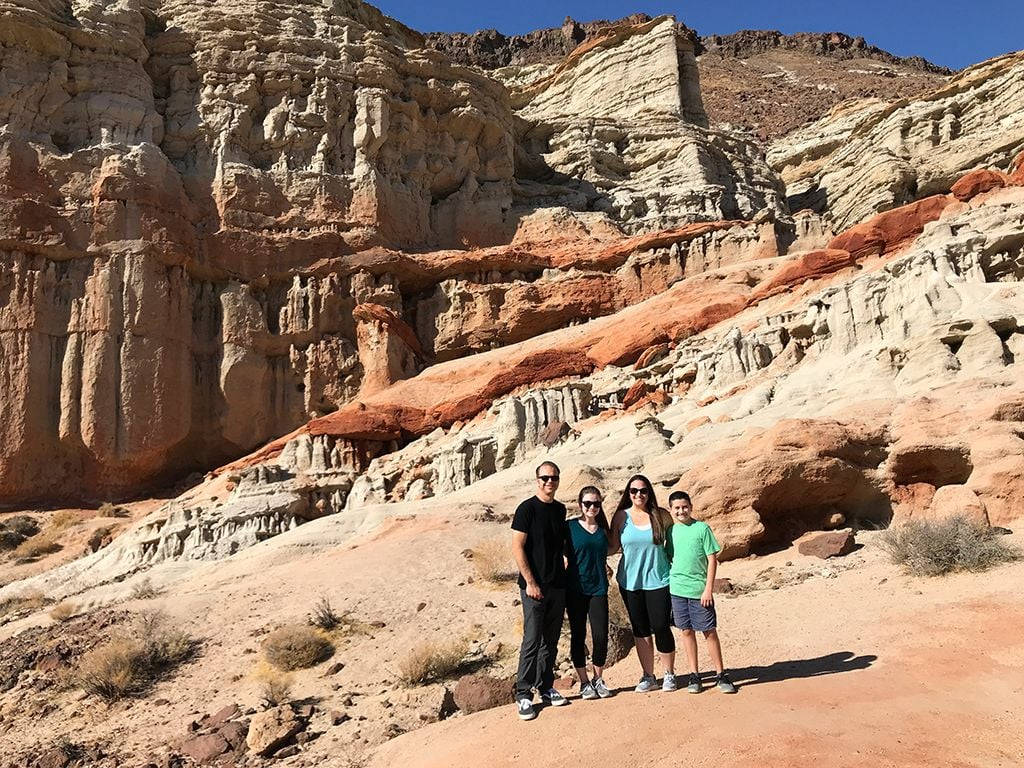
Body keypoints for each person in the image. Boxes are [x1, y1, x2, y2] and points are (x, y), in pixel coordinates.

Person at [511, 461, 569, 720]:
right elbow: (517, 546)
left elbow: (560, 543)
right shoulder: (527, 509)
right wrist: (530, 582)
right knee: (532, 640)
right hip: (534, 586)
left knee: (551, 641)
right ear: (537, 480)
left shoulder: (560, 510)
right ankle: (523, 694)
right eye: (545, 477)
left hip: (557, 584)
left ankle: (545, 687)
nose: (549, 482)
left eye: (554, 477)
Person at [665, 491, 737, 694]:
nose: (681, 511)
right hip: (678, 590)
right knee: (686, 631)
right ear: (671, 510)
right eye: (677, 508)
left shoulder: (702, 528)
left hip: (699, 591)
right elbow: (671, 557)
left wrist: (708, 589)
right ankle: (694, 675)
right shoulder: (671, 531)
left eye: (684, 506)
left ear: (691, 507)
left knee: (709, 631)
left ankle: (721, 674)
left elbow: (712, 559)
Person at [610, 474, 677, 692]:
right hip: (629, 581)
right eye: (634, 491)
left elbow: (675, 545)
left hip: (658, 579)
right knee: (640, 630)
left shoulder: (661, 516)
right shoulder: (621, 517)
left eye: (643, 491)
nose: (639, 495)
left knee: (661, 626)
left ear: (649, 493)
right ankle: (648, 676)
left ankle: (669, 674)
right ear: (628, 494)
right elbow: (611, 547)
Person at [565, 486, 613, 700]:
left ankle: (598, 678)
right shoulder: (570, 527)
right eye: (588, 504)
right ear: (580, 505)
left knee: (601, 635)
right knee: (578, 635)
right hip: (575, 589)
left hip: (599, 588)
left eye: (596, 504)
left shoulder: (603, 529)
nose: (592, 507)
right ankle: (584, 682)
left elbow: (609, 550)